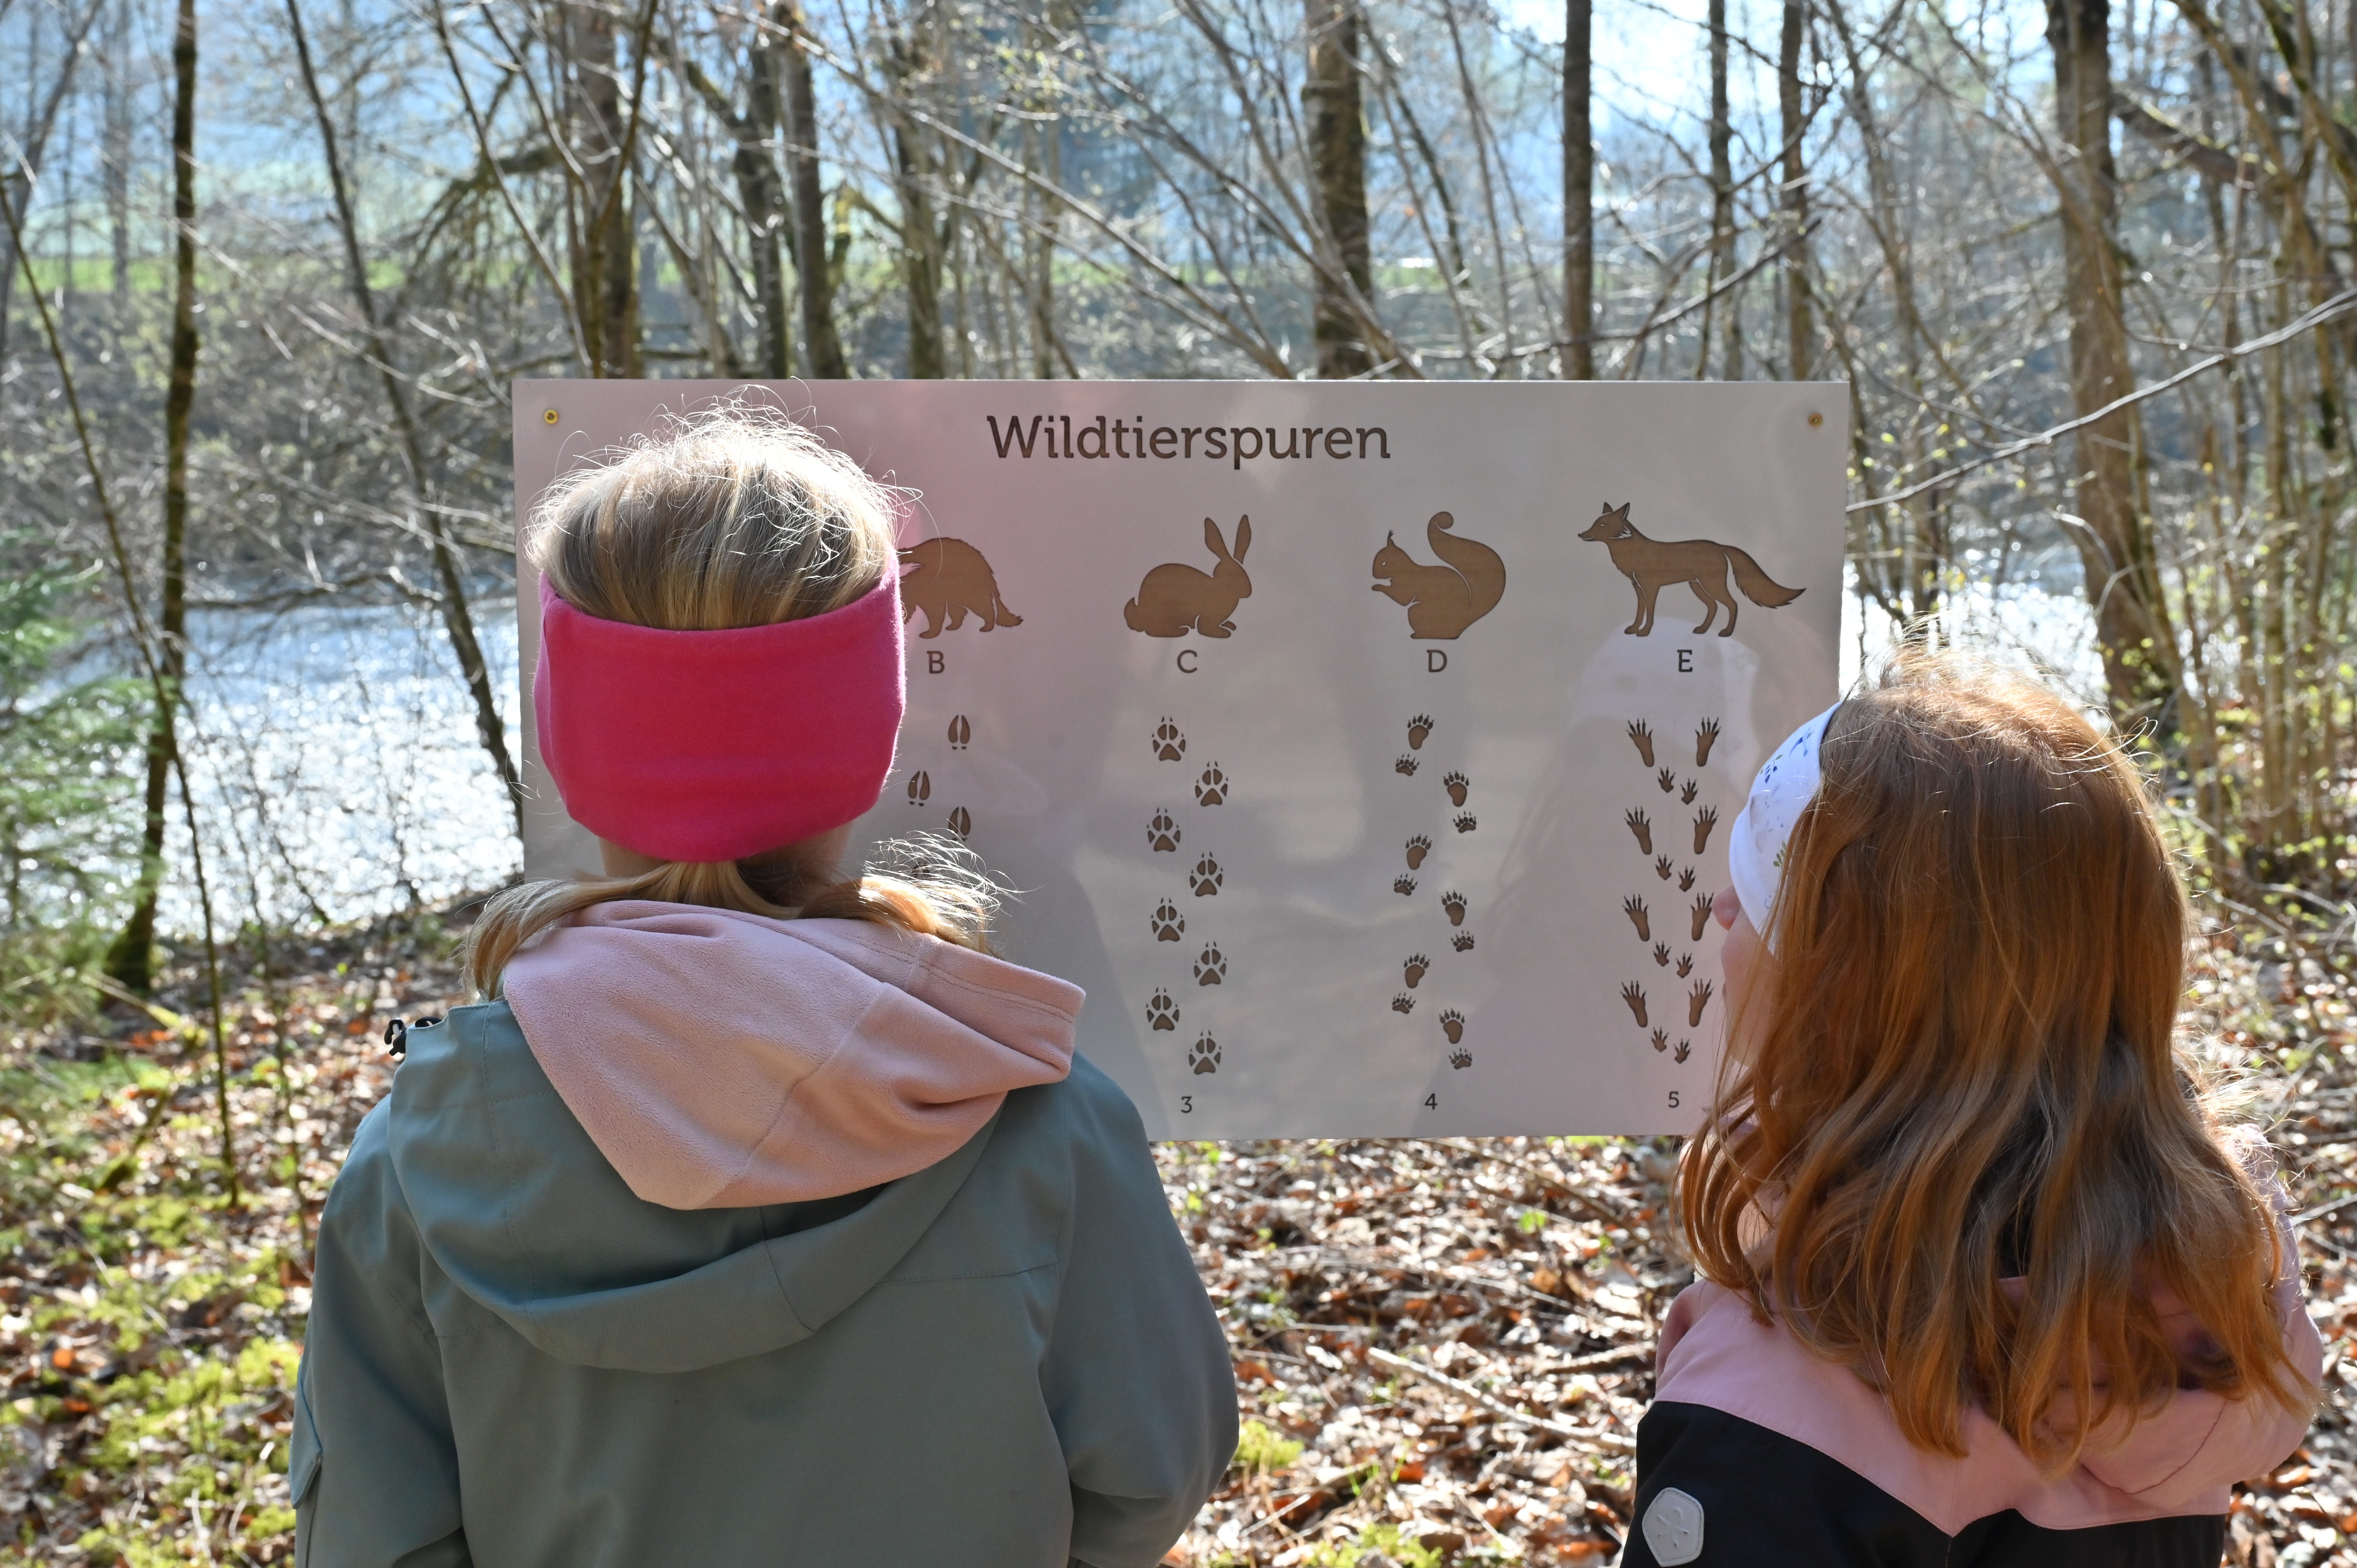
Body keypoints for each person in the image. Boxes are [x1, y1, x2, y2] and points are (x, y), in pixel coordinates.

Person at [292, 415, 1238, 1568]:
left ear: (570, 745)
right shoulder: (1046, 1122)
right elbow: (1150, 1482)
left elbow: (369, 1540)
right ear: (869, 737)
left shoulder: (423, 1155)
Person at [1625, 654, 2323, 1568]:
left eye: (1760, 879)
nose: (1721, 905)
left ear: (1845, 997)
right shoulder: (2179, 1308)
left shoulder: (1770, 1408)